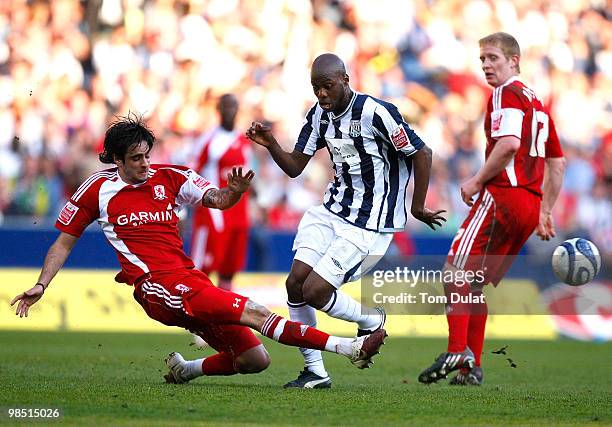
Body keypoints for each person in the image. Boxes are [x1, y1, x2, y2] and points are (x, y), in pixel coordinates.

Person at [10, 114, 388, 384]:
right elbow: (63, 242)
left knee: (255, 360)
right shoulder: (96, 189)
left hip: (190, 280)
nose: (145, 164)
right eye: (136, 159)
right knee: (255, 312)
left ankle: (185, 369)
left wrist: (235, 194)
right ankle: (348, 348)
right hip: (156, 287)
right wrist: (42, 284)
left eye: (147, 155)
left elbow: (218, 199)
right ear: (116, 160)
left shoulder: (170, 177)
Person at [247, 53, 445, 388]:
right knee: (294, 284)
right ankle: (315, 371)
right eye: (316, 88)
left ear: (345, 81)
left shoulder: (376, 112)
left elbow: (421, 153)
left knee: (314, 291)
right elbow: (296, 166)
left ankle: (371, 319)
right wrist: (271, 145)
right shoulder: (319, 116)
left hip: (369, 223)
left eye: (327, 86)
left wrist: (418, 206)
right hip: (330, 211)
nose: (321, 94)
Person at [418, 32, 566, 386]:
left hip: (502, 196)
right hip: (529, 206)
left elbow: (510, 144)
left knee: (454, 271)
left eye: (493, 58)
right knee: (472, 285)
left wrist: (475, 179)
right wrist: (545, 211)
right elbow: (557, 163)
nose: (485, 65)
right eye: (482, 59)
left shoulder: (506, 93)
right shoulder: (538, 103)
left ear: (514, 60)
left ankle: (457, 350)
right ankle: (472, 368)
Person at [190, 94, 250, 291]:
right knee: (201, 270)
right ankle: (194, 315)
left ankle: (224, 317)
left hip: (239, 214)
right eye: (226, 107)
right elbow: (190, 174)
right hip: (213, 215)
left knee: (229, 270)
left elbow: (248, 173)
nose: (230, 111)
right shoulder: (208, 140)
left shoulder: (243, 140)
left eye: (234, 107)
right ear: (219, 110)